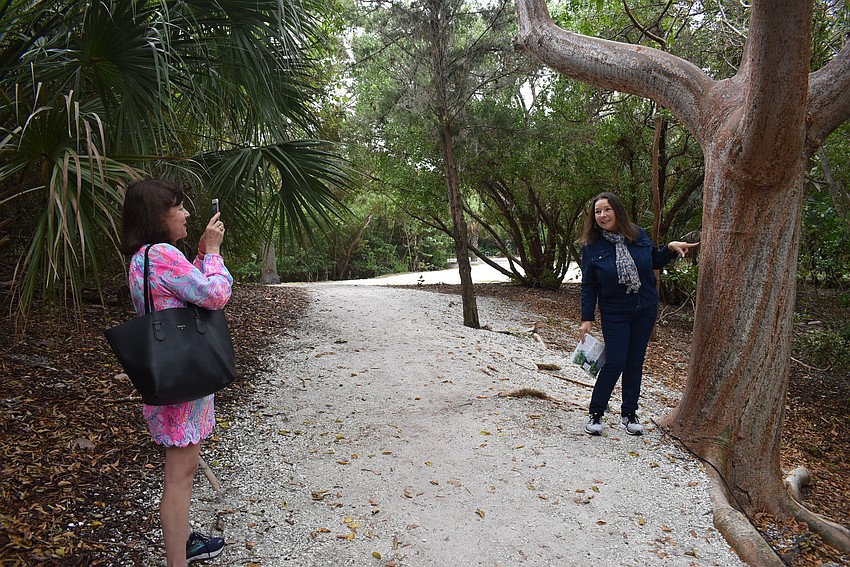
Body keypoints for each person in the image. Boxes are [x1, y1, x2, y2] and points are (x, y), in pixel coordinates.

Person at [120, 179, 232, 565]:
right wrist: (213, 253)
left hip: (169, 372)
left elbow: (183, 293)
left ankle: (183, 543)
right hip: (184, 378)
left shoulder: (143, 257)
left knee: (181, 472)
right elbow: (215, 295)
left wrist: (199, 255)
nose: (186, 214)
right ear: (158, 216)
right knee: (179, 478)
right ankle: (177, 559)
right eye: (179, 208)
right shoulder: (164, 254)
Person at [578, 192, 698, 436]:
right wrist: (587, 318)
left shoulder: (638, 234)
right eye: (598, 212)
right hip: (614, 312)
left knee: (635, 362)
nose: (602, 215)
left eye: (607, 209)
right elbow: (589, 285)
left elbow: (654, 261)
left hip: (645, 309)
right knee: (615, 361)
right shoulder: (591, 246)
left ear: (617, 211)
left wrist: (670, 249)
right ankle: (596, 412)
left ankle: (629, 414)